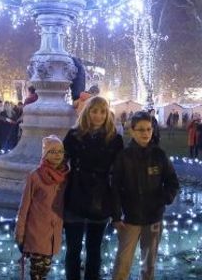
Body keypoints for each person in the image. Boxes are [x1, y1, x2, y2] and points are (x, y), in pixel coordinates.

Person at [111, 111, 180, 280]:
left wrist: (163, 199)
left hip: (153, 218)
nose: (145, 133)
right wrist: (116, 215)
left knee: (148, 266)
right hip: (130, 219)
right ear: (132, 131)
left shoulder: (159, 155)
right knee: (122, 264)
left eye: (149, 129)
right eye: (141, 129)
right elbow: (114, 188)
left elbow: (173, 181)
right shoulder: (123, 157)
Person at [63, 96, 124, 280]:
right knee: (73, 249)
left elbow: (118, 175)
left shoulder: (115, 139)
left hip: (100, 197)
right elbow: (61, 163)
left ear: (107, 114)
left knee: (94, 249)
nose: (98, 115)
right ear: (87, 112)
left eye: (102, 111)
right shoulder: (74, 135)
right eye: (94, 111)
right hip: (76, 196)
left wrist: (117, 211)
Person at [16, 135, 69, 280]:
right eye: (52, 152)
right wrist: (20, 234)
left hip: (53, 234)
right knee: (37, 271)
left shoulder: (65, 176)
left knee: (45, 269)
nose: (57, 155)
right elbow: (24, 206)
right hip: (36, 232)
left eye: (60, 151)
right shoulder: (35, 176)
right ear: (45, 154)